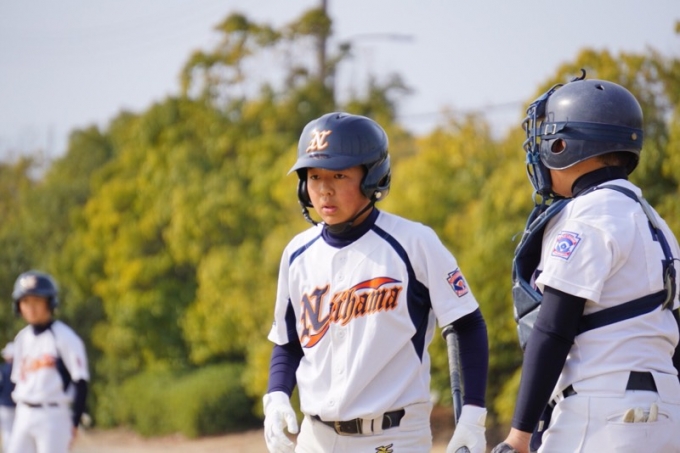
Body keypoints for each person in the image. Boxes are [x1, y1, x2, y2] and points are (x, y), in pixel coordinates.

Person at [262, 112, 489, 453]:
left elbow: (467, 323)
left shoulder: (413, 242)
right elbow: (288, 341)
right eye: (314, 176)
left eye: (339, 174)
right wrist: (277, 395)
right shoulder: (297, 253)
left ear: (373, 178)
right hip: (315, 438)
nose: (324, 189)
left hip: (393, 436)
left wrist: (472, 414)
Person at [492, 74, 680, 453]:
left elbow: (553, 328)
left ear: (562, 146)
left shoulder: (590, 213)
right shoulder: (656, 223)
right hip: (667, 413)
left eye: (547, 138)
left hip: (602, 411)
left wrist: (519, 435)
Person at [7, 270, 90, 453]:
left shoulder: (65, 337)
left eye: (37, 301)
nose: (31, 308)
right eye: (25, 302)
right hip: (23, 413)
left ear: (50, 303)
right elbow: (17, 381)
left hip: (53, 415)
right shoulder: (22, 339)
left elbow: (81, 381)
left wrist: (75, 421)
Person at [0, 342, 16, 453]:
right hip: (18, 406)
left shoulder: (2, 369)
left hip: (4, 405)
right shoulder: (21, 369)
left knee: (7, 432)